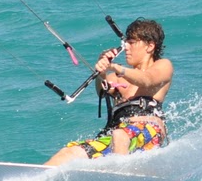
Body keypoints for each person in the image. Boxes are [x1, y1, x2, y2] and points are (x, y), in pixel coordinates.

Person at [46, 18, 172, 166]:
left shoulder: (163, 65)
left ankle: (120, 179)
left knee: (120, 136)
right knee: (69, 152)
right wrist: (103, 72)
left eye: (131, 43)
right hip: (117, 136)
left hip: (149, 132)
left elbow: (147, 80)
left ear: (150, 46)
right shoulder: (116, 78)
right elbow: (101, 91)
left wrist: (118, 68)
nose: (126, 47)